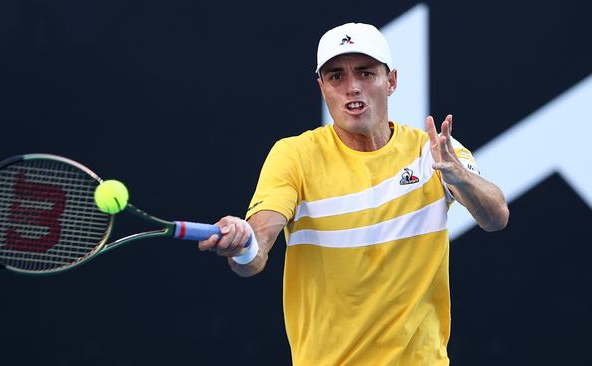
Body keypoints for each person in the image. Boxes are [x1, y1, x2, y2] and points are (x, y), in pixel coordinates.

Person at [199, 23, 509, 366]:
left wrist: (461, 178)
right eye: (336, 77)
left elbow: (496, 217)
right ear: (322, 87)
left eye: (365, 73)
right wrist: (243, 246)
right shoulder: (295, 156)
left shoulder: (431, 152)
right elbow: (257, 251)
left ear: (391, 81)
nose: (352, 88)